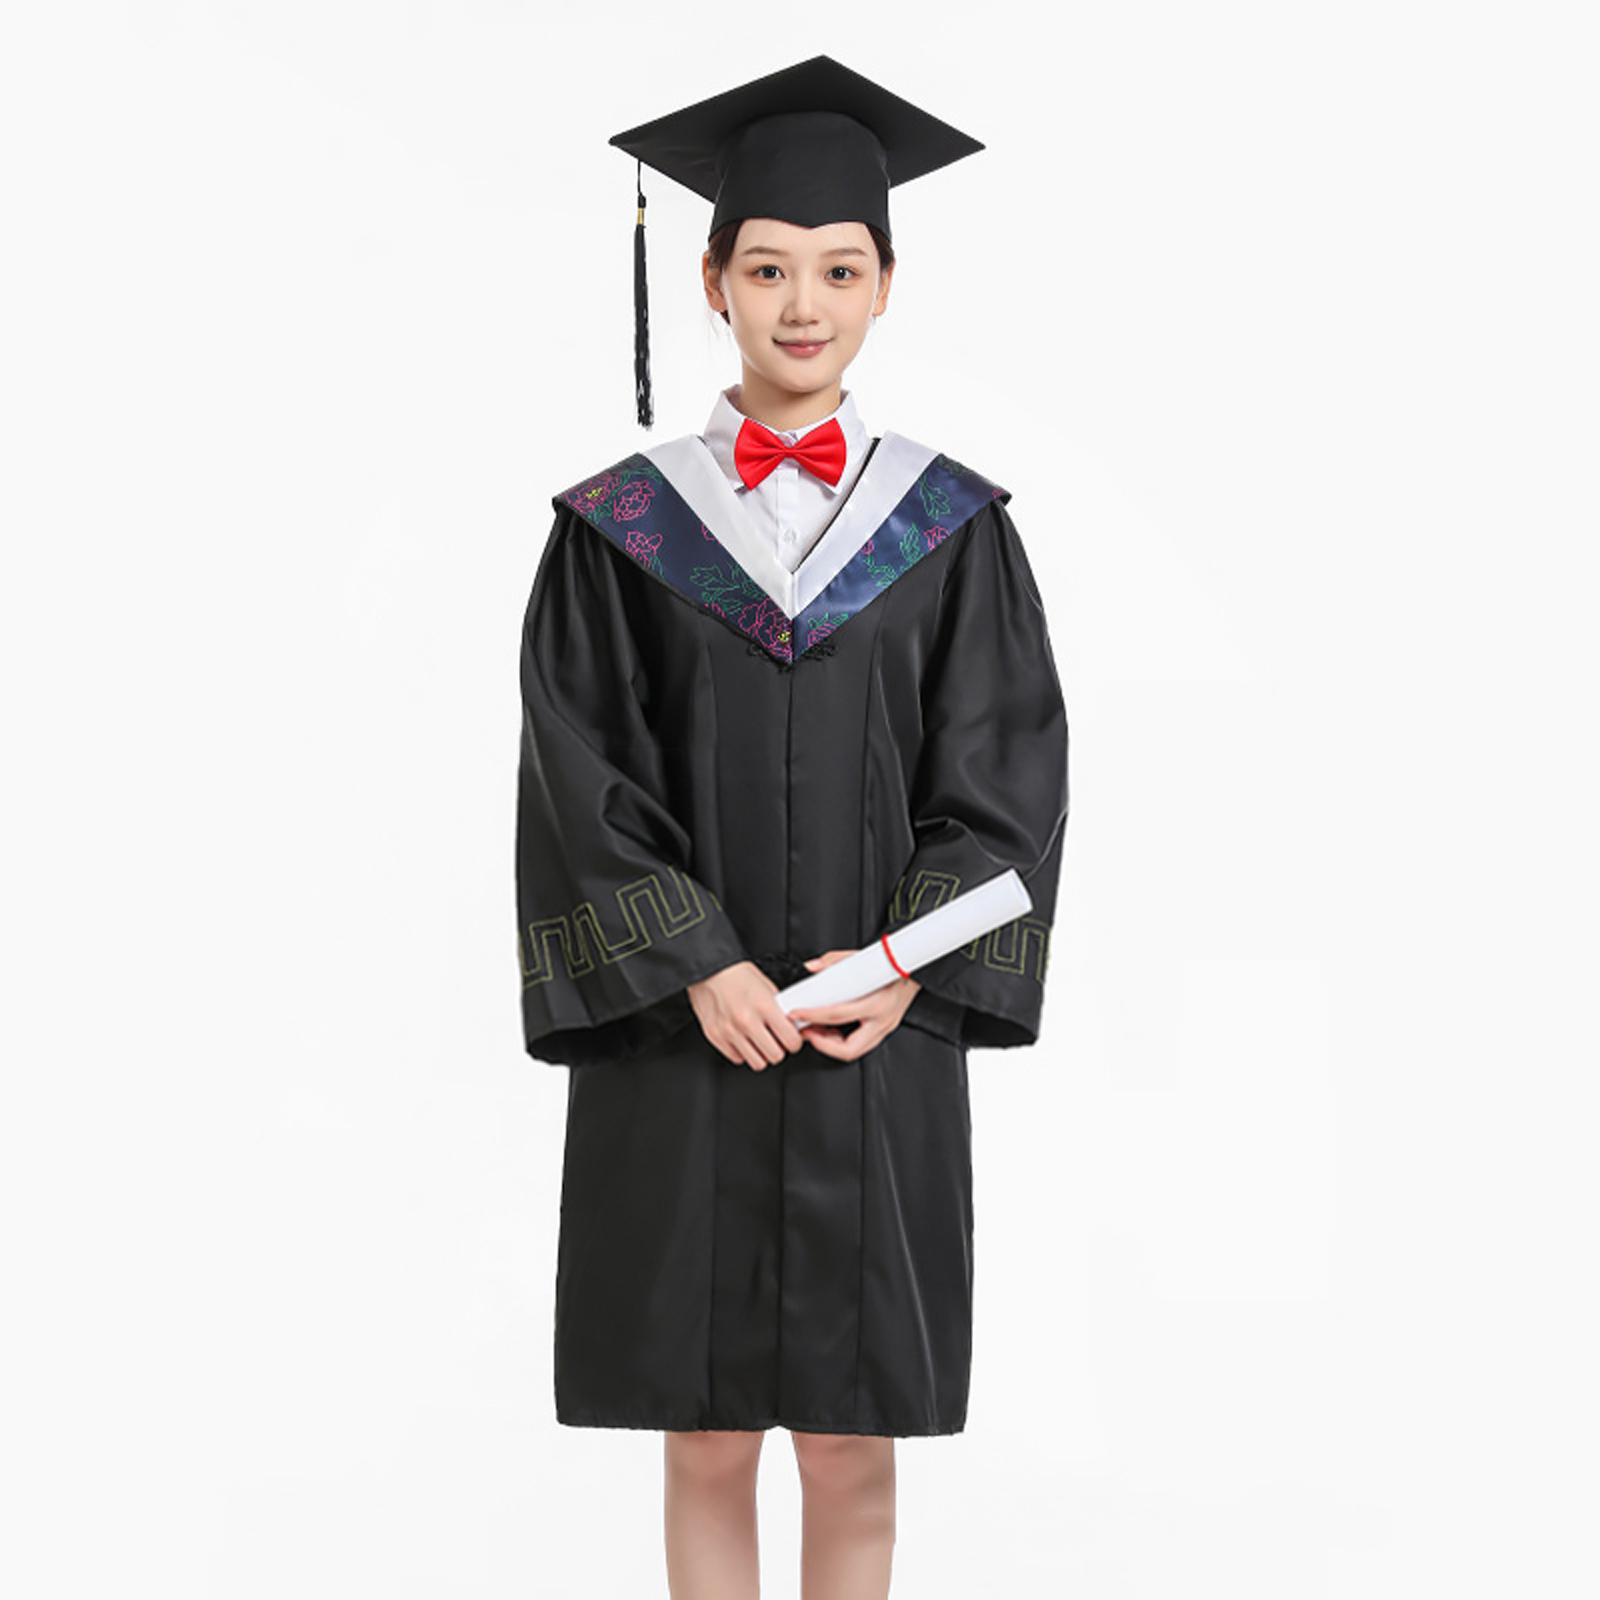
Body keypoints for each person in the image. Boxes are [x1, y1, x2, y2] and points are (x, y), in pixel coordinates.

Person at [515, 55, 1070, 1600]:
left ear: (886, 284)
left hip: (868, 1035)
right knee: (701, 1431)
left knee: (848, 1434)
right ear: (711, 282)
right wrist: (695, 961)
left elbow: (1005, 774)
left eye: (837, 269)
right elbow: (578, 766)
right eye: (766, 269)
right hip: (682, 1033)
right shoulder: (620, 530)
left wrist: (906, 969)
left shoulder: (952, 529)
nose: (801, 303)